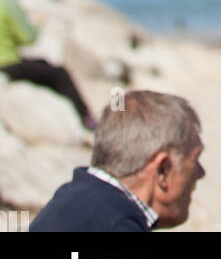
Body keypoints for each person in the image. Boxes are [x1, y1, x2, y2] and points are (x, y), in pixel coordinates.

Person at [30, 90, 205, 231]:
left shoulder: (73, 198)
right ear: (163, 170)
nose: (201, 173)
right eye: (194, 160)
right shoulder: (117, 222)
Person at [0, 0, 96, 130]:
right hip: (8, 64)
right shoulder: (7, 0)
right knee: (59, 73)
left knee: (43, 65)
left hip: (7, 64)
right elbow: (28, 38)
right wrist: (38, 23)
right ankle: (86, 118)